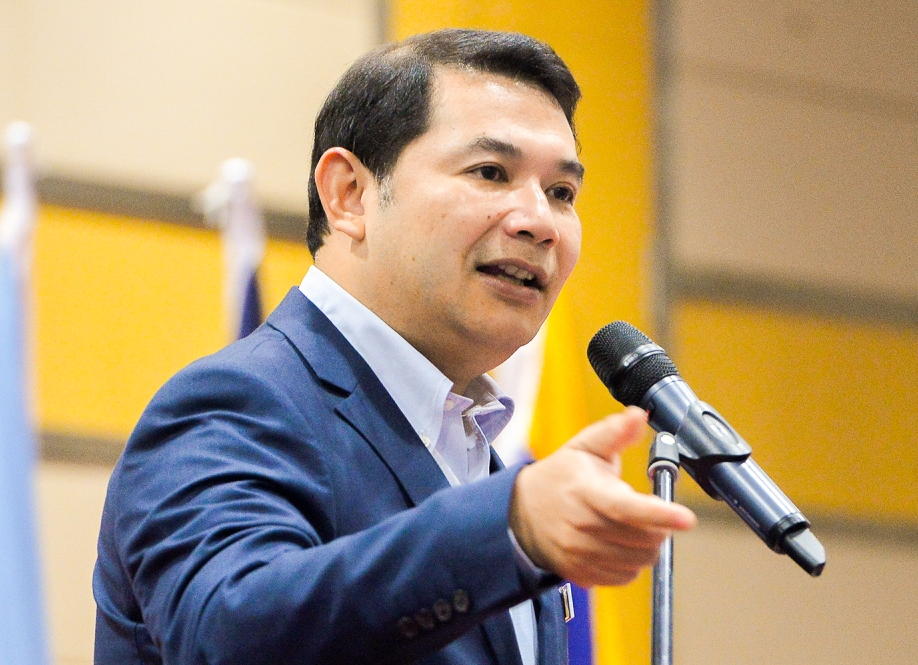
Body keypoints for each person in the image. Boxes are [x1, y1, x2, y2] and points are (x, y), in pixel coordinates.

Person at [93, 28, 696, 665]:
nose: (540, 222)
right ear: (349, 195)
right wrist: (508, 526)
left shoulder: (483, 461)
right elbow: (226, 632)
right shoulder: (237, 401)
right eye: (491, 172)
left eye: (561, 193)